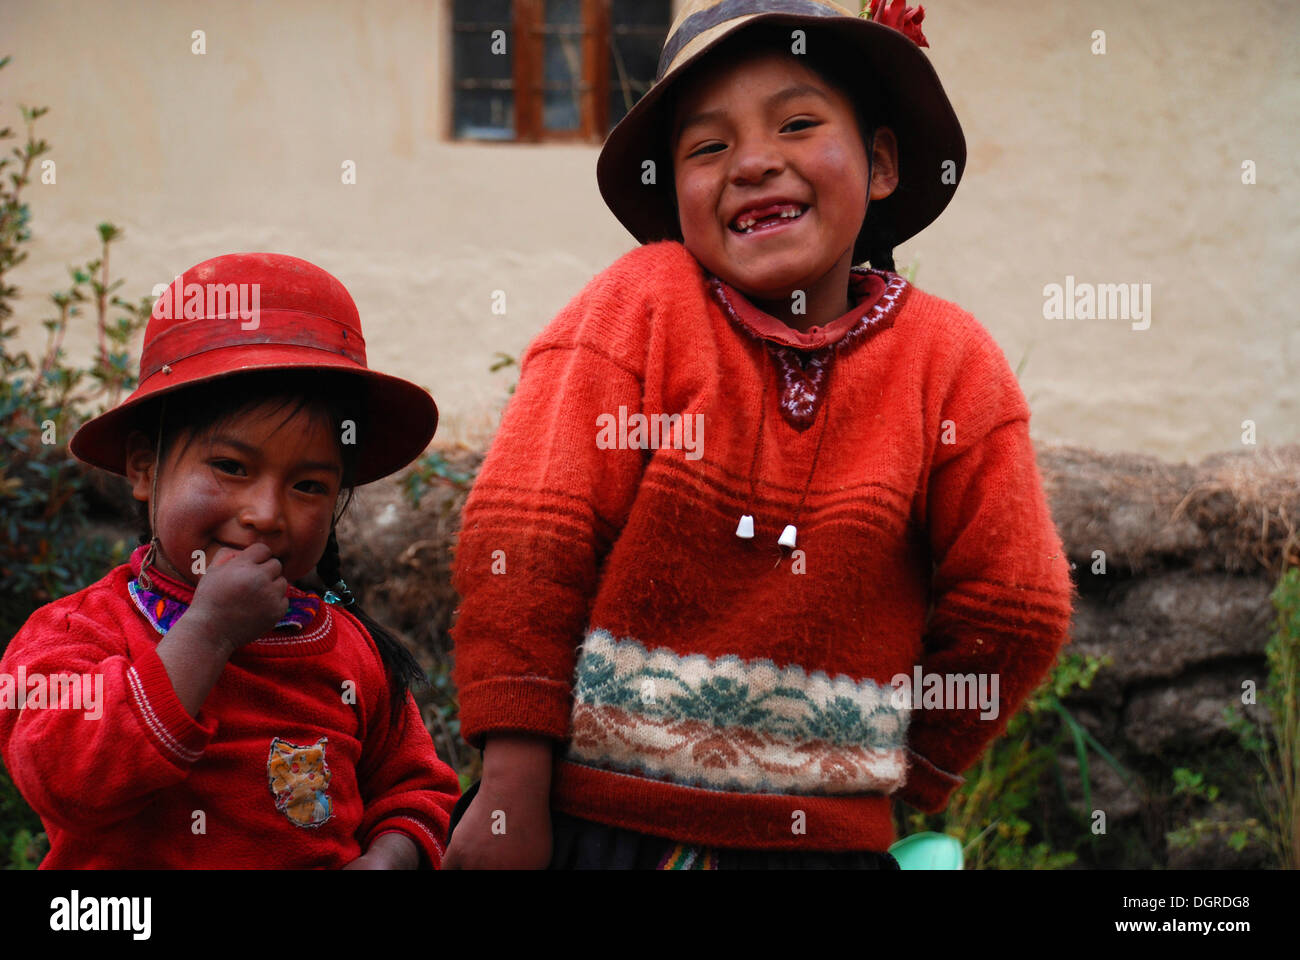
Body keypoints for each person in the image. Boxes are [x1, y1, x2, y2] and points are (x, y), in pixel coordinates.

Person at [442, 0, 1077, 869]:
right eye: (708, 147)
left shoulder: (950, 362)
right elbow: (529, 537)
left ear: (881, 163)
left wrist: (906, 768)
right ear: (676, 192)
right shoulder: (637, 310)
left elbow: (1015, 603)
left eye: (799, 123)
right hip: (598, 826)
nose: (753, 162)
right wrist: (513, 785)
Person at [0, 252, 461, 868]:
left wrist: (389, 857)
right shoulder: (78, 635)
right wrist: (207, 633)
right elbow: (65, 783)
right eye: (231, 467)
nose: (267, 514)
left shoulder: (351, 653)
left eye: (309, 486)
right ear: (144, 466)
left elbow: (413, 790)